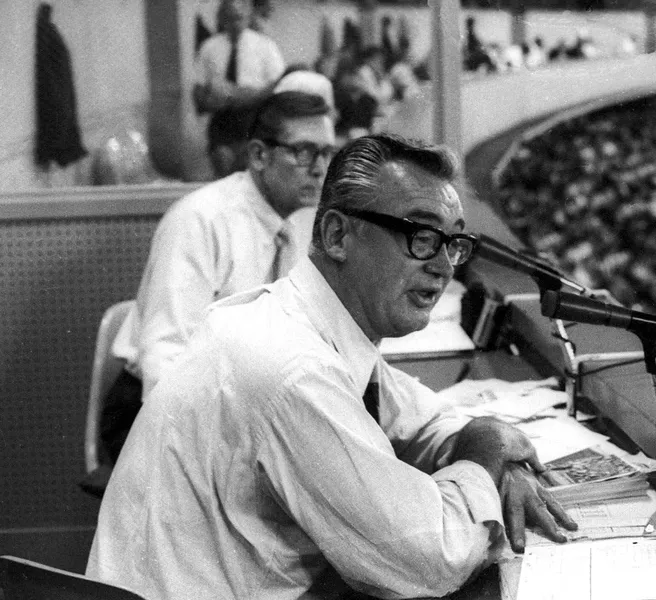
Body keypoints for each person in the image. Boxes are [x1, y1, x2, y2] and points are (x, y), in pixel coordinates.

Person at [86, 133, 578, 599]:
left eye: (453, 243)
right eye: (422, 235)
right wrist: (485, 456)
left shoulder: (307, 321)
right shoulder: (292, 368)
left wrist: (486, 452)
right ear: (338, 234)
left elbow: (416, 416)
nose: (445, 265)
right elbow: (429, 559)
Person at [93, 91, 335, 476]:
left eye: (327, 153)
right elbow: (165, 356)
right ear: (258, 155)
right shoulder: (201, 220)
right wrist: (196, 455)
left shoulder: (303, 223)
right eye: (305, 152)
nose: (320, 168)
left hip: (243, 405)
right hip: (156, 411)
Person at [193, 0, 285, 177]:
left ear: (248, 16)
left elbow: (278, 85)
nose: (235, 24)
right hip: (223, 118)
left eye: (239, 18)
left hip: (254, 117)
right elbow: (198, 88)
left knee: (252, 170)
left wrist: (249, 96)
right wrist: (210, 100)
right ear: (221, 19)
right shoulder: (210, 47)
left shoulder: (265, 46)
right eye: (229, 18)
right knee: (222, 164)